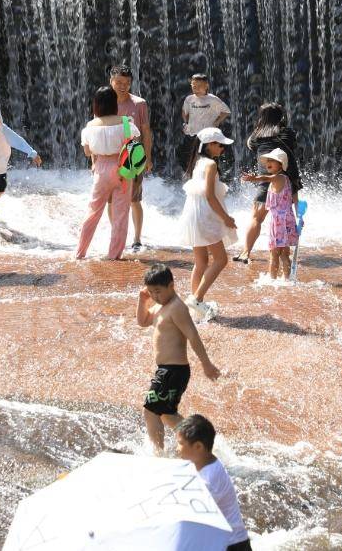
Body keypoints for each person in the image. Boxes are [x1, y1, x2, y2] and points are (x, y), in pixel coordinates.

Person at [137, 265, 220, 453]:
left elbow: (193, 336)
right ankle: (200, 441)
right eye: (151, 292)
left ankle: (159, 454)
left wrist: (206, 364)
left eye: (158, 291)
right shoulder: (160, 306)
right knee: (165, 414)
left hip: (173, 370)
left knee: (152, 410)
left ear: (171, 285)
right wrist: (142, 301)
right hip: (168, 370)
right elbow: (142, 322)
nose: (154, 296)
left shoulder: (177, 308)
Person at [179, 128, 237, 323]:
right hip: (206, 216)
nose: (222, 148)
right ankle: (196, 299)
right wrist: (226, 218)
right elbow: (210, 197)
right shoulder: (211, 164)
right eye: (219, 144)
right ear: (210, 145)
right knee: (221, 260)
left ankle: (196, 307)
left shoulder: (198, 163)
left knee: (201, 262)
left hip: (194, 215)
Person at [76, 87, 140, 262]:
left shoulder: (90, 126)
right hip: (123, 168)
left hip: (101, 168)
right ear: (114, 103)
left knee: (93, 211)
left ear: (96, 104)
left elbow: (88, 152)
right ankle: (114, 255)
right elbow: (133, 145)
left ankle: (80, 252)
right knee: (121, 214)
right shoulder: (127, 123)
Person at [236, 103, 301, 264]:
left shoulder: (256, 136)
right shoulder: (288, 132)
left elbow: (250, 146)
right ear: (281, 117)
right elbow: (293, 146)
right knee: (291, 216)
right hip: (288, 180)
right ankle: (285, 252)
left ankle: (245, 252)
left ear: (262, 118)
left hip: (267, 181)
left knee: (256, 219)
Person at [175, 415, 251, 551]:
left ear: (198, 446)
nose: (177, 448)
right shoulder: (203, 461)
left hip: (231, 545)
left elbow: (192, 518)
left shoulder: (209, 481)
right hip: (224, 541)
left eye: (181, 443)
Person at [0, 103, 42, 230]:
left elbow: (18, 141)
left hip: (0, 168)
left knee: (0, 191)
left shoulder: (3, 130)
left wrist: (32, 153)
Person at [108, 65, 152, 253]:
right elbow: (95, 130)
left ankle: (137, 238)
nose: (122, 86)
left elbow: (146, 131)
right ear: (111, 82)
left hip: (134, 157)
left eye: (126, 83)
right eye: (118, 82)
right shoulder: (104, 102)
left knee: (134, 199)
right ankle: (116, 233)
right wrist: (94, 161)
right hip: (110, 157)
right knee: (111, 201)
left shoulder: (139, 103)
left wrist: (148, 158)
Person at [240, 148, 296, 280]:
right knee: (285, 254)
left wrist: (254, 178)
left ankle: (272, 280)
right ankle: (287, 279)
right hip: (287, 220)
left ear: (281, 165)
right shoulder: (286, 179)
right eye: (268, 160)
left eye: (273, 160)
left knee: (274, 253)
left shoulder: (278, 177)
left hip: (278, 222)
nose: (268, 163)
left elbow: (266, 177)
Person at [180, 74, 230, 171]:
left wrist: (217, 122)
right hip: (193, 134)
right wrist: (185, 123)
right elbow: (184, 112)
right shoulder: (189, 99)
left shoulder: (213, 99)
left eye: (199, 86)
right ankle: (194, 179)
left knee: (209, 159)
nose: (196, 89)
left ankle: (213, 178)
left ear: (206, 86)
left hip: (208, 136)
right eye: (194, 86)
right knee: (193, 159)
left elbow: (226, 111)